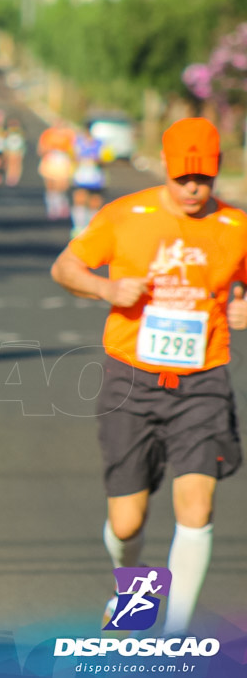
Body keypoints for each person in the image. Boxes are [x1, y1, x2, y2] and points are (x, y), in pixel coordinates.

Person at [50, 117, 247, 637]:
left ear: (217, 172)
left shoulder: (237, 227)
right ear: (165, 167)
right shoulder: (125, 216)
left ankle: (174, 636)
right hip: (131, 381)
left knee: (196, 506)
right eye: (183, 177)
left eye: (202, 178)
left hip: (203, 381)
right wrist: (106, 290)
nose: (191, 188)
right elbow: (66, 269)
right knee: (127, 523)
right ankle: (132, 593)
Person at [69, 124, 107, 237]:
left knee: (94, 201)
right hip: (81, 176)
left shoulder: (101, 144)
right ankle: (79, 227)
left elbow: (106, 159)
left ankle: (92, 228)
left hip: (96, 176)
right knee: (80, 198)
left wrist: (97, 160)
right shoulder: (78, 143)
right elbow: (72, 156)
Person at [38, 119, 76, 220]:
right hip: (50, 161)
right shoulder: (47, 134)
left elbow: (74, 150)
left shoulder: (69, 134)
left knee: (62, 186)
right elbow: (41, 149)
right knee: (50, 186)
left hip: (63, 161)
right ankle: (52, 207)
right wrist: (49, 149)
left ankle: (62, 204)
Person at [2, 118, 26, 187]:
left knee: (16, 165)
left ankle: (15, 178)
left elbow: (22, 142)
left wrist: (22, 152)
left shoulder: (20, 132)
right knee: (9, 164)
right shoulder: (7, 132)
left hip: (17, 151)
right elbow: (5, 141)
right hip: (10, 150)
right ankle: (10, 177)